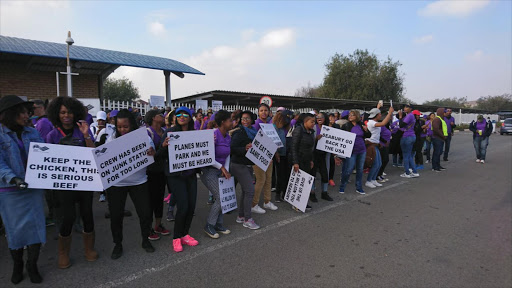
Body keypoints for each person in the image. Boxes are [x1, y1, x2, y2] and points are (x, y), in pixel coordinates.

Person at [45, 96, 98, 269]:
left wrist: (85, 135)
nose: (66, 115)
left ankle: (89, 249)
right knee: (67, 218)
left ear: (75, 113)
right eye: (62, 112)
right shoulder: (52, 135)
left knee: (87, 215)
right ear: (57, 114)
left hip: (84, 184)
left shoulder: (82, 130)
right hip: (64, 186)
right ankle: (63, 253)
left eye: (69, 112)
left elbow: (93, 154)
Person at [0, 95, 45, 284]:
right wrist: (15, 178)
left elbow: (46, 153)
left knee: (36, 229)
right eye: (24, 112)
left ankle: (32, 264)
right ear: (12, 114)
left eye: (28, 112)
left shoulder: (32, 132)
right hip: (10, 192)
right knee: (15, 232)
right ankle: (18, 264)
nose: (27, 115)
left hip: (33, 188)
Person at [106, 110, 156, 259]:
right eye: (119, 127)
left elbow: (152, 154)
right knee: (116, 216)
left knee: (145, 213)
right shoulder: (111, 139)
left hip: (139, 182)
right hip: (117, 184)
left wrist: (151, 152)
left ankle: (145, 240)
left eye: (125, 127)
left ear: (132, 125)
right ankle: (117, 244)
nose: (122, 130)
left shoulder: (144, 138)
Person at [157, 107, 199, 252]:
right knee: (183, 206)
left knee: (192, 206)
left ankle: (185, 234)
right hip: (175, 176)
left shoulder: (194, 133)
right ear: (175, 118)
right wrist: (163, 146)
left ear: (190, 117)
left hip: (191, 175)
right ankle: (176, 237)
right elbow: (159, 155)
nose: (182, 116)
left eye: (185, 114)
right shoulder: (170, 132)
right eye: (178, 114)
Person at [201, 110, 233, 238]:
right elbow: (207, 156)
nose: (232, 122)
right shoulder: (213, 135)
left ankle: (218, 224)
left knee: (223, 197)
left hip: (221, 170)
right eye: (230, 120)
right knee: (220, 197)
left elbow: (227, 155)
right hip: (209, 170)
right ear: (222, 122)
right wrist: (221, 168)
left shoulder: (228, 137)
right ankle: (209, 225)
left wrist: (226, 169)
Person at [230, 111, 261, 229]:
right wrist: (244, 148)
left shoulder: (254, 132)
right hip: (239, 165)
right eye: (243, 119)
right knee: (250, 191)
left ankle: (241, 216)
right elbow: (232, 148)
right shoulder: (239, 132)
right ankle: (248, 219)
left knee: (245, 191)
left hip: (248, 165)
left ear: (252, 120)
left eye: (247, 118)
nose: (245, 121)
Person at [144, 110, 170, 241]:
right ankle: (148, 229)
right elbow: (151, 155)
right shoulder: (147, 133)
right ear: (154, 118)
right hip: (150, 172)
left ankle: (158, 225)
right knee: (149, 201)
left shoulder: (165, 130)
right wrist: (163, 147)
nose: (163, 116)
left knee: (159, 200)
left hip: (161, 171)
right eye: (160, 114)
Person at [251, 103, 278, 214]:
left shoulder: (270, 124)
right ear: (258, 112)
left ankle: (267, 201)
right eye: (261, 110)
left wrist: (273, 154)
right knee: (261, 180)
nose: (263, 112)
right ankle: (254, 204)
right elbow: (254, 142)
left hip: (269, 156)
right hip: (259, 156)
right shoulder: (256, 124)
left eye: (265, 110)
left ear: (269, 112)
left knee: (268, 179)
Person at [338, 110, 370, 195]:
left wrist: (366, 130)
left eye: (352, 115)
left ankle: (359, 187)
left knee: (360, 169)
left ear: (357, 116)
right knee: (349, 170)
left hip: (362, 150)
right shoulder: (346, 125)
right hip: (351, 151)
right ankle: (342, 186)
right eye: (349, 115)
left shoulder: (361, 125)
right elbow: (341, 137)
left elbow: (368, 135)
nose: (350, 117)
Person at [291, 113, 316, 211]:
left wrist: (311, 160)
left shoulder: (311, 132)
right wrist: (295, 162)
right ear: (305, 122)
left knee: (305, 182)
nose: (313, 123)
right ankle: (295, 204)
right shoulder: (298, 130)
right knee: (298, 183)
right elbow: (294, 147)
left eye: (314, 122)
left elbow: (310, 148)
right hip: (299, 160)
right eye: (312, 121)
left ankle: (303, 202)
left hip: (307, 160)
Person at [365, 106, 394, 188]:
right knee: (376, 164)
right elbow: (383, 123)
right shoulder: (371, 122)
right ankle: (369, 180)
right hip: (371, 145)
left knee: (379, 164)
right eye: (379, 114)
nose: (381, 115)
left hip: (376, 145)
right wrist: (390, 113)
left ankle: (373, 179)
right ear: (376, 115)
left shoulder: (373, 122)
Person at [311, 112, 333, 201]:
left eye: (321, 117)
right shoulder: (313, 127)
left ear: (325, 118)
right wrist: (316, 138)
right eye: (317, 117)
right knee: (312, 174)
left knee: (325, 174)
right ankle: (312, 193)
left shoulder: (329, 129)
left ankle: (324, 192)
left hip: (323, 155)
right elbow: (308, 139)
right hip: (314, 154)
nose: (319, 118)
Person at [273, 110, 293, 202]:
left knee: (287, 174)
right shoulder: (274, 127)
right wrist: (276, 152)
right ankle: (278, 194)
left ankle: (285, 193)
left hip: (287, 154)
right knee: (280, 175)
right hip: (279, 154)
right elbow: (272, 140)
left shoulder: (288, 127)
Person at [398, 104, 419, 178]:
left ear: (411, 109)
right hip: (412, 136)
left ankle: (407, 172)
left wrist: (400, 117)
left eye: (407, 107)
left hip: (407, 136)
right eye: (404, 107)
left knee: (406, 155)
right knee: (409, 155)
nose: (405, 108)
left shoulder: (409, 115)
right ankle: (414, 171)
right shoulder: (411, 116)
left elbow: (401, 125)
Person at [431, 108, 448, 172]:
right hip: (437, 138)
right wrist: (443, 136)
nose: (445, 113)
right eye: (444, 112)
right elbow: (436, 129)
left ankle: (438, 165)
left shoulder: (441, 119)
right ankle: (435, 167)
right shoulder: (437, 119)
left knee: (439, 153)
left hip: (440, 138)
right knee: (436, 153)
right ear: (441, 112)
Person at [327, 113, 341, 186]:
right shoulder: (324, 126)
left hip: (333, 148)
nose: (332, 119)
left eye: (333, 117)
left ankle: (330, 179)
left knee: (332, 164)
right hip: (325, 148)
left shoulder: (337, 126)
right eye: (330, 117)